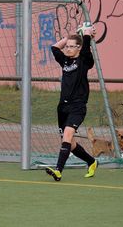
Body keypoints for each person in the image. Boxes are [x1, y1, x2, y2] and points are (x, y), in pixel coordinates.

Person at [45, 24, 97, 181]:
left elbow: (86, 49)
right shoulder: (65, 61)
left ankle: (58, 170)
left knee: (67, 135)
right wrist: (69, 38)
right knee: (70, 143)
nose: (67, 49)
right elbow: (54, 48)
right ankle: (91, 161)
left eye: (71, 47)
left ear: (79, 48)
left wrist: (86, 34)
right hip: (62, 107)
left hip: (77, 106)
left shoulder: (84, 61)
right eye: (66, 46)